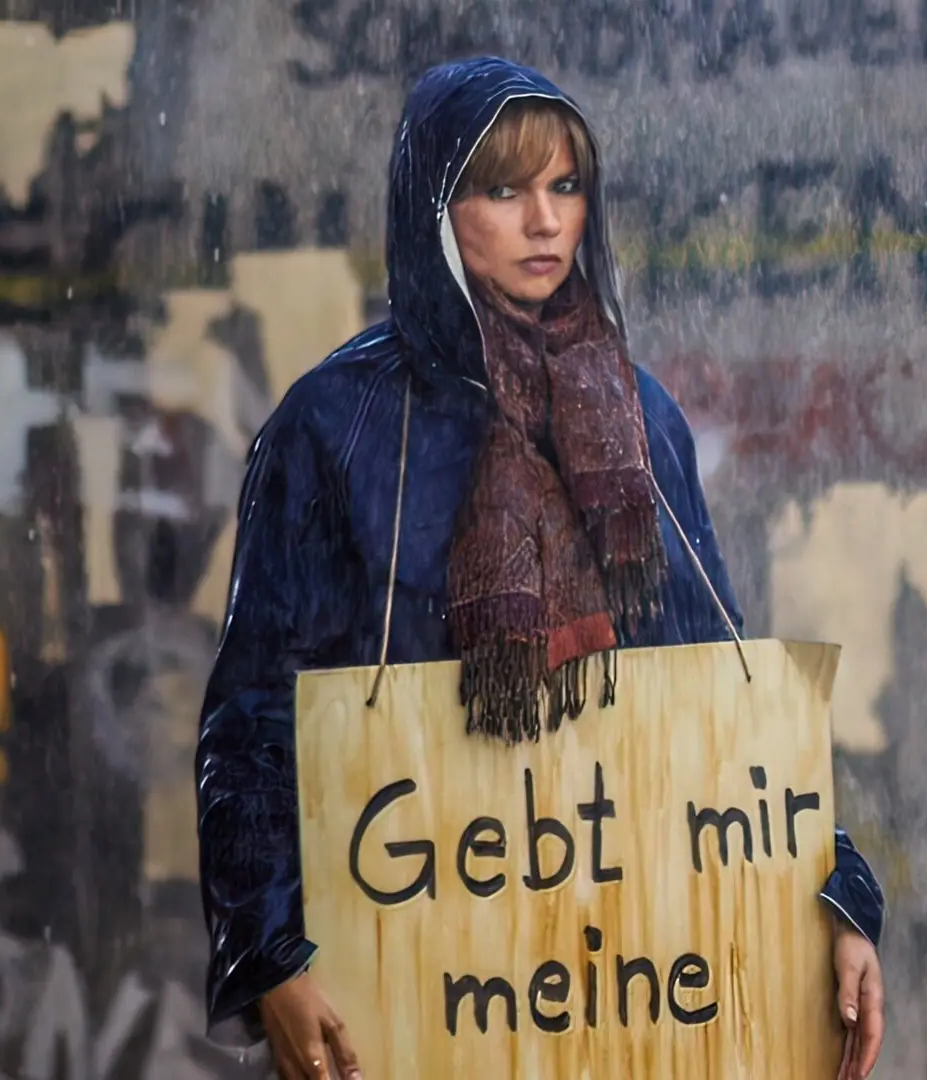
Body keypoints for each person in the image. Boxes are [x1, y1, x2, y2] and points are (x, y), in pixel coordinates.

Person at [195, 56, 889, 1080]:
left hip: (625, 980)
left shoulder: (638, 417)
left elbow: (723, 702)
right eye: (502, 189)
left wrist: (840, 900)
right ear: (435, 208)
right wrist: (270, 959)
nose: (545, 221)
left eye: (565, 185)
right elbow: (253, 720)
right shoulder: (336, 427)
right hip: (412, 978)